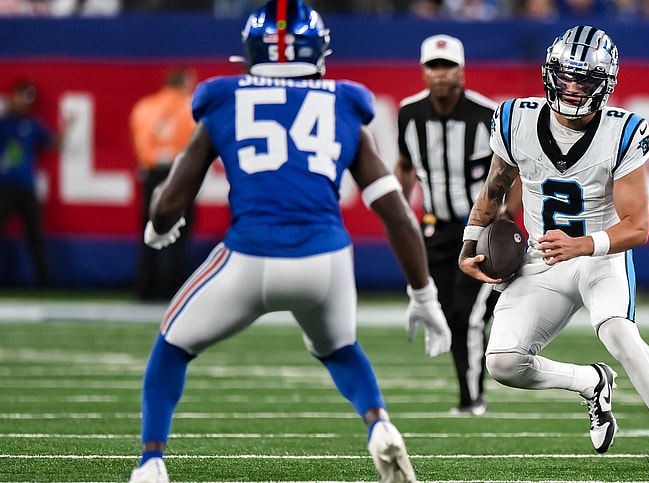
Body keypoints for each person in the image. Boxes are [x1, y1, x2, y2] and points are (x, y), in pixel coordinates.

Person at [127, 1, 451, 482]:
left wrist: (157, 227)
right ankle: (378, 423)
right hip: (326, 262)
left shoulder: (224, 97)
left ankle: (151, 461)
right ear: (318, 51)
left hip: (249, 256)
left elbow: (172, 196)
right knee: (339, 347)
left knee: (171, 348)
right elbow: (397, 215)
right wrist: (424, 294)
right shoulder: (343, 100)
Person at [458, 26, 649, 472]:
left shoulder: (623, 131)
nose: (573, 88)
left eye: (586, 80)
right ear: (549, 75)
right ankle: (590, 381)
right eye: (566, 77)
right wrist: (468, 243)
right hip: (543, 259)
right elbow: (494, 191)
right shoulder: (514, 120)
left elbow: (638, 227)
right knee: (502, 363)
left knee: (617, 330)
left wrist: (584, 244)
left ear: (606, 85)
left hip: (600, 257)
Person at [395, 34, 514, 416]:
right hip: (433, 228)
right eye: (433, 66)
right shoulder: (408, 113)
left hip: (478, 231)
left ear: (461, 70)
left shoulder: (487, 114)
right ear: (423, 71)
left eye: (447, 66)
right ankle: (469, 394)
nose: (440, 74)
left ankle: (473, 398)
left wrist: (506, 216)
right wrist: (399, 207)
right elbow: (404, 165)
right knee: (447, 314)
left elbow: (514, 172)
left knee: (469, 314)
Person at [129, 66, 197, 301]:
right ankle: (170, 290)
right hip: (180, 173)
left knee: (150, 230)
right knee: (177, 234)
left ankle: (144, 289)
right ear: (184, 83)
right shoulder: (190, 106)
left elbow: (138, 139)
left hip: (152, 173)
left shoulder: (145, 106)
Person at [0, 79, 61, 287]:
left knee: (36, 234)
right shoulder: (3, 121)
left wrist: (67, 129)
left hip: (26, 186)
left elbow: (53, 143)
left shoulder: (33, 123)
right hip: (3, 186)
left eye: (29, 98)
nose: (25, 102)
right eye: (22, 96)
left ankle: (45, 281)